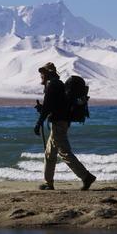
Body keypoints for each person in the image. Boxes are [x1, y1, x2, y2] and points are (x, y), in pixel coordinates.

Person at [34, 62, 96, 191]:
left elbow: (47, 107)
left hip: (58, 123)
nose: (41, 76)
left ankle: (86, 176)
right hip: (61, 122)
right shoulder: (58, 84)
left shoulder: (53, 85)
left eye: (43, 73)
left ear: (48, 74)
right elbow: (54, 106)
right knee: (50, 153)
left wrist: (39, 123)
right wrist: (43, 110)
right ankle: (48, 182)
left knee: (64, 152)